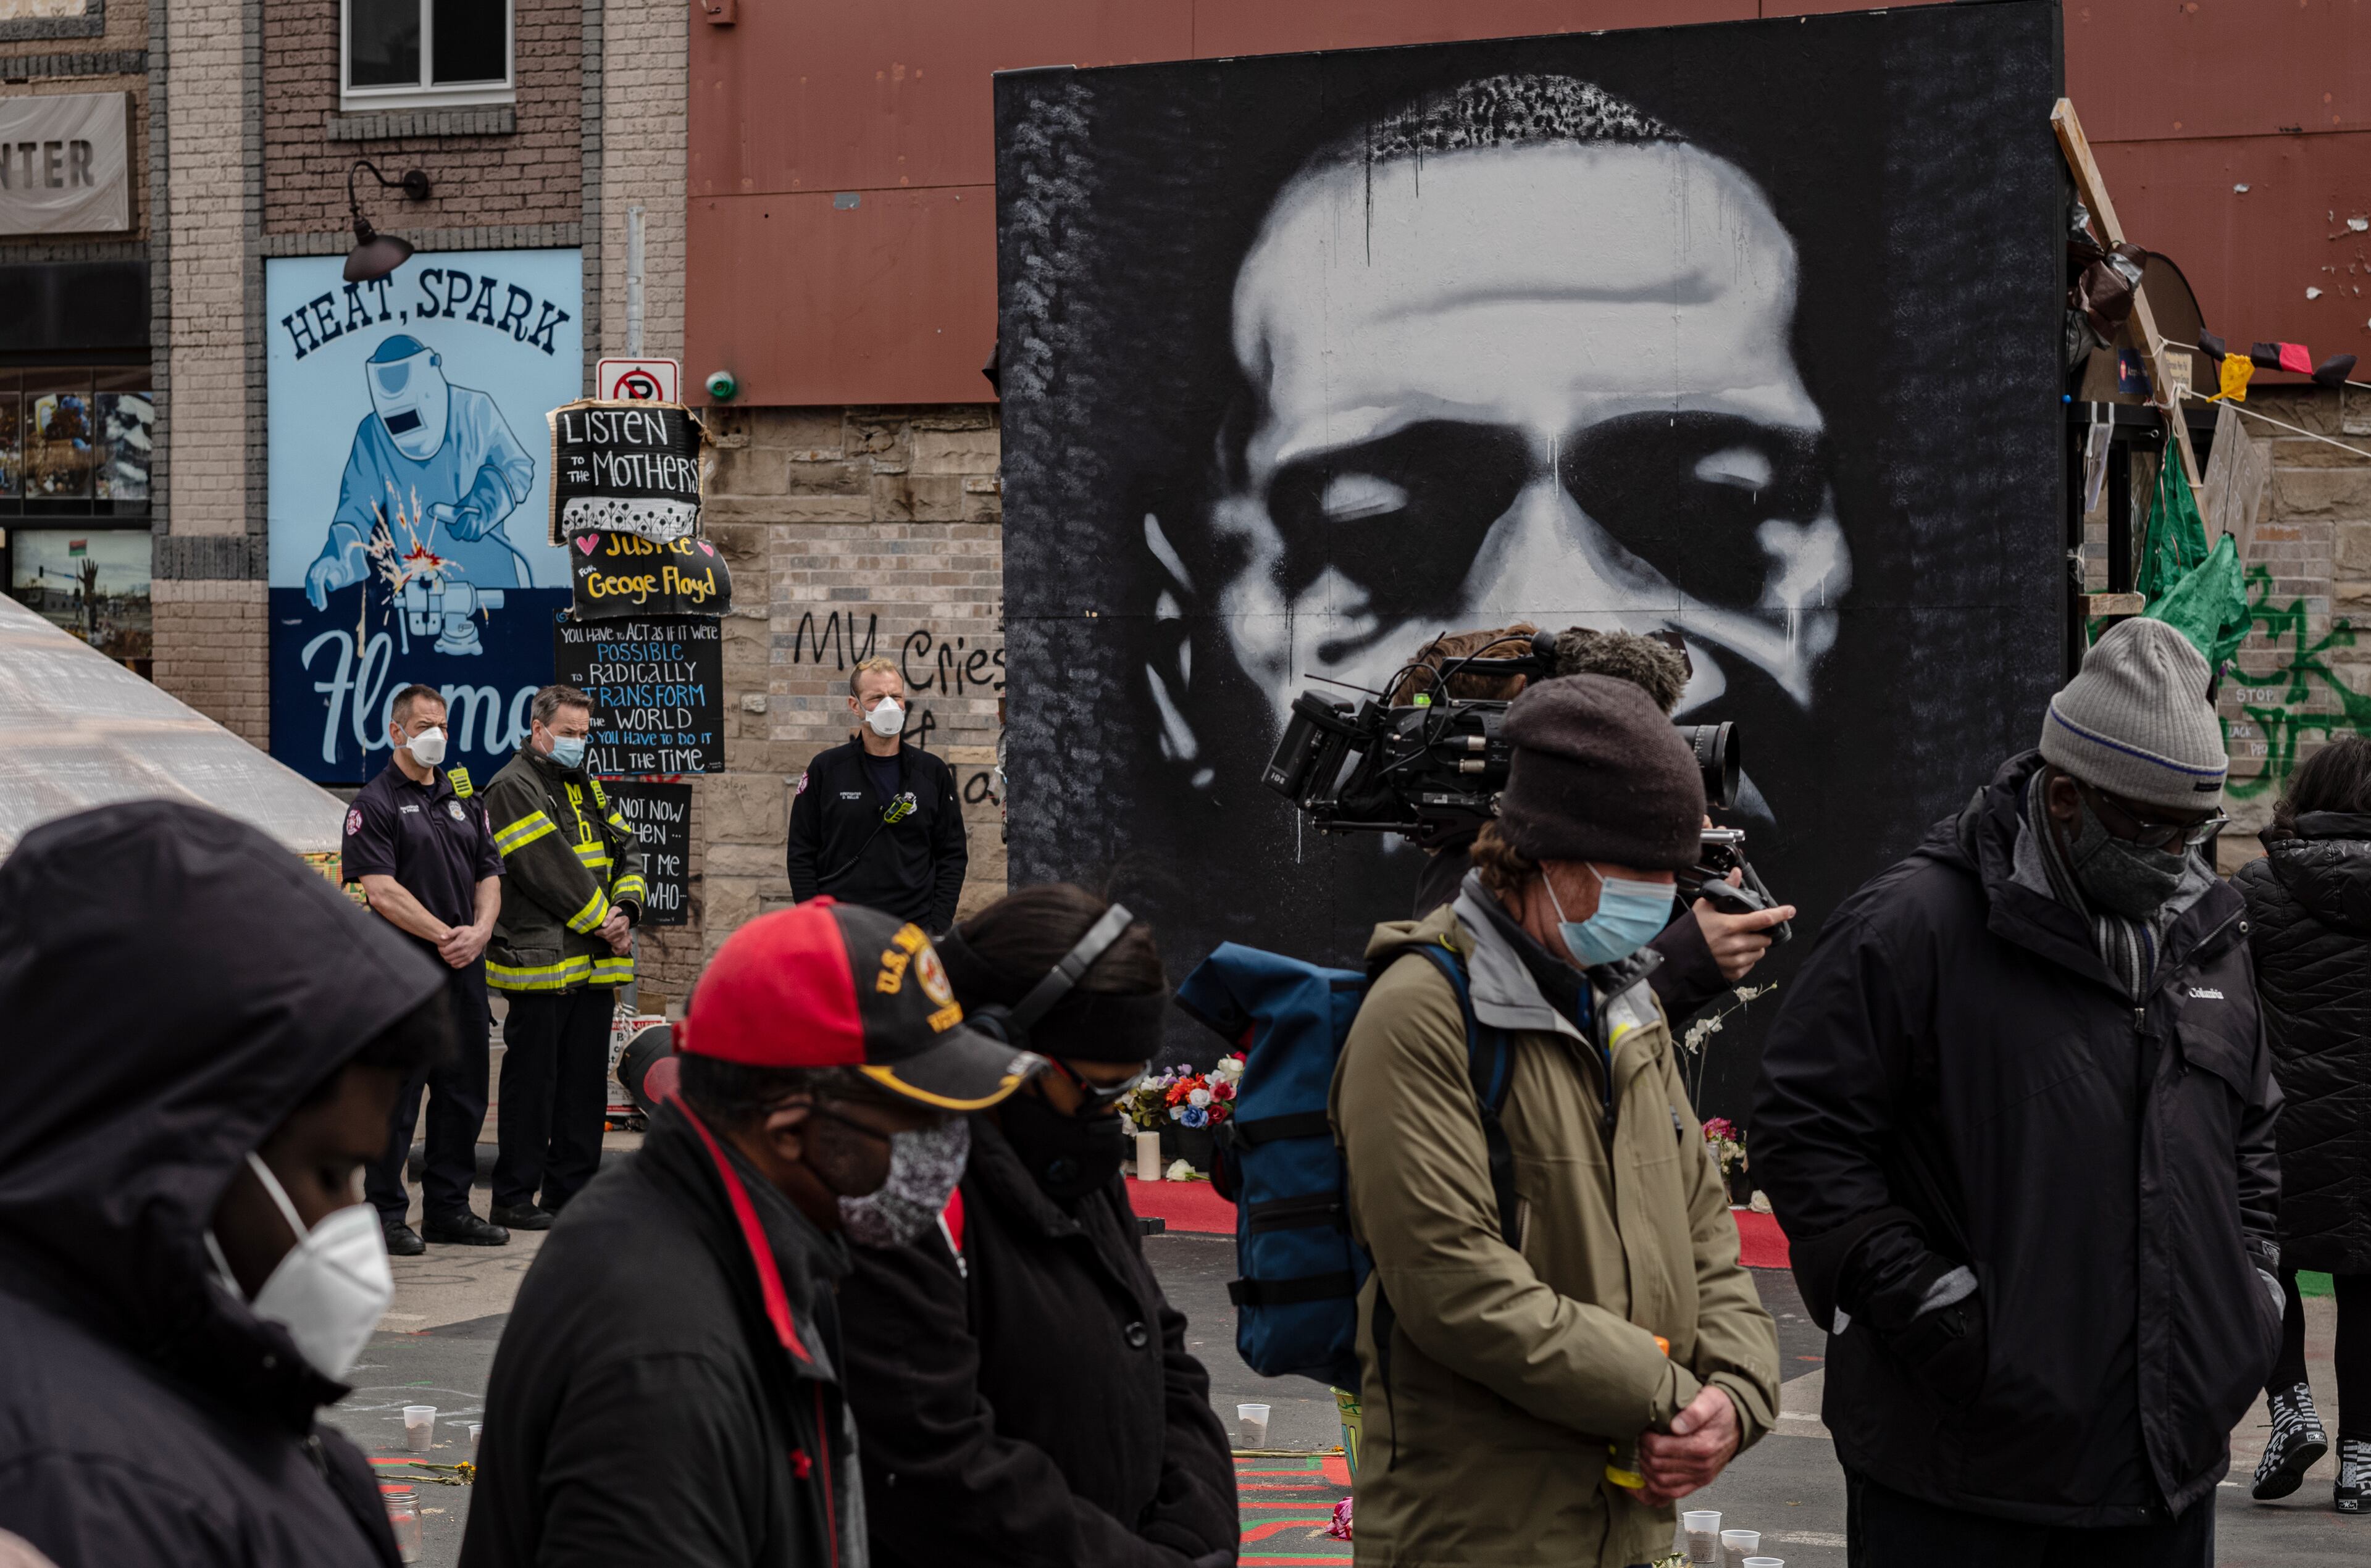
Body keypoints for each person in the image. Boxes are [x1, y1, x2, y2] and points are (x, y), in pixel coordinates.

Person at [1752, 617, 2278, 1565]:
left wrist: (2255, 1292)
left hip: (2165, 1474)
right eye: (2150, 830)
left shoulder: (2209, 932)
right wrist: (1930, 1308)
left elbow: (2250, 1130)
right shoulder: (1912, 928)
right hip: (1963, 1477)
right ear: (2066, 797)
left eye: (2195, 831)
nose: (2175, 859)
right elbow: (1805, 1135)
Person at [1329, 673, 1780, 1567]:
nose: (1664, 898)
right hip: (1478, 1533)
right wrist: (1666, 1393)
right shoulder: (1423, 1010)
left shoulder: (1628, 1012)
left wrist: (1736, 1397)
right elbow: (1449, 1282)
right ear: (1550, 859)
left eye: (1671, 872)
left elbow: (1704, 1235)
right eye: (1641, 874)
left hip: (1627, 1527)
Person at [460, 899, 1045, 1568]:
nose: (947, 1148)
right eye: (918, 1118)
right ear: (791, 1128)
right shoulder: (665, 1359)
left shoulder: (759, 1235)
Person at [0, 799, 454, 1566]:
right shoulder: (79, 1485)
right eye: (330, 1172)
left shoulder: (228, 1402)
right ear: (169, 1144)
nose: (353, 1223)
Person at [837, 885, 1238, 1568]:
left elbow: (1163, 1352)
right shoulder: (904, 1195)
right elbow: (940, 1469)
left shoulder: (1066, 1155)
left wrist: (1194, 1529)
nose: (1108, 1116)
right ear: (1000, 1045)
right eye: (1102, 1089)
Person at [1408, 625, 1796, 1023]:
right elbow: (1542, 1041)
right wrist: (1686, 961)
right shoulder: (1464, 889)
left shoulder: (1535, 859)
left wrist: (1664, 871)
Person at [2233, 735, 2371, 1512]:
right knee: (2367, 1287)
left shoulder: (2260, 887)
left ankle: (2293, 1412)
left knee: (2270, 1260)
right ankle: (2363, 1463)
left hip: (2283, 1121)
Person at [343, 682, 509, 1254]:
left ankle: (449, 1209)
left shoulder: (466, 798)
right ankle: (386, 1214)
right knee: (398, 1099)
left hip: (464, 971)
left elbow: (489, 873)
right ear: (396, 732)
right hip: (405, 974)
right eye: (423, 726)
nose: (435, 735)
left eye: (441, 724)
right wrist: (445, 935)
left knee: (463, 1094)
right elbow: (381, 891)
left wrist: (480, 933)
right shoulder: (375, 803)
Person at [480, 683, 647, 1230]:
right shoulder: (511, 787)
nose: (578, 742)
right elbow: (546, 867)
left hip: (596, 963)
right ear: (538, 729)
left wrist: (626, 908)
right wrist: (606, 923)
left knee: (582, 1088)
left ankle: (570, 1196)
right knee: (533, 1088)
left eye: (584, 733)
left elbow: (628, 848)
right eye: (568, 733)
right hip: (541, 965)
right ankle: (513, 1197)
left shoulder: (587, 784)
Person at [304, 334, 538, 614]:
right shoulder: (373, 434)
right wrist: (337, 559)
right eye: (397, 423)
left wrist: (485, 504)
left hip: (493, 593)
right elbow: (354, 511)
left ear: (433, 372)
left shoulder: (475, 410)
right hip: (421, 598)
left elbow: (517, 467)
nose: (407, 432)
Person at [787, 657, 968, 933]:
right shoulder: (827, 770)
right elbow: (801, 851)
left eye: (896, 696)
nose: (889, 705)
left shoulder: (931, 773)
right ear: (854, 706)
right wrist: (815, 923)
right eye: (876, 698)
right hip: (842, 931)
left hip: (913, 931)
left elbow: (952, 854)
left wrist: (938, 925)